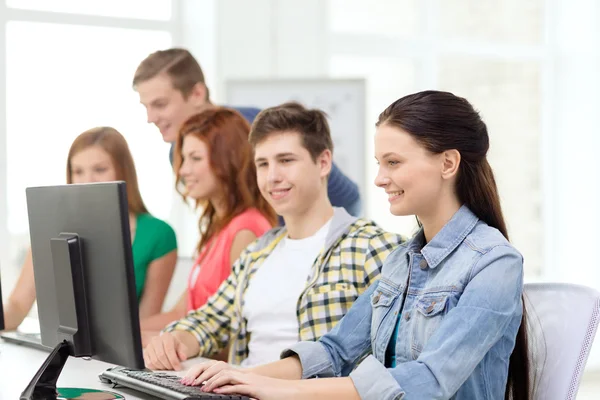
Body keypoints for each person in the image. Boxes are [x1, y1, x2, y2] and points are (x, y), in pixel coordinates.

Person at [181, 91, 531, 400]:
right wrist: (240, 377)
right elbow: (334, 351)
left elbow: (429, 380)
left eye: (393, 162)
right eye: (380, 164)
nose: (379, 178)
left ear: (448, 163)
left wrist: (276, 390)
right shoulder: (402, 261)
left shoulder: (495, 262)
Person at [143, 102, 403, 371]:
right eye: (263, 164)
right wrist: (174, 340)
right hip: (238, 391)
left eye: (286, 160)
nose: (272, 177)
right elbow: (208, 320)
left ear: (323, 162)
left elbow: (399, 360)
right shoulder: (257, 253)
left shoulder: (372, 247)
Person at [133, 47, 362, 217]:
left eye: (160, 105)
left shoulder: (254, 127)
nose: (150, 118)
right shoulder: (176, 153)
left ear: (196, 94)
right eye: (146, 107)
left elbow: (346, 196)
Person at [2, 127, 178, 331]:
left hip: (117, 358)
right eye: (78, 171)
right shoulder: (51, 229)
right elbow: (17, 307)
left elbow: (144, 325)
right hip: (61, 352)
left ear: (123, 171)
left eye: (100, 170)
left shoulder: (158, 234)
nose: (87, 181)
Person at [140, 108, 278, 336]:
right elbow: (181, 313)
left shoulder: (247, 231)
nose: (183, 170)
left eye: (195, 158)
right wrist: (123, 333)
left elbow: (238, 335)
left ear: (227, 159)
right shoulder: (219, 228)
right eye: (184, 159)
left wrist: (156, 341)